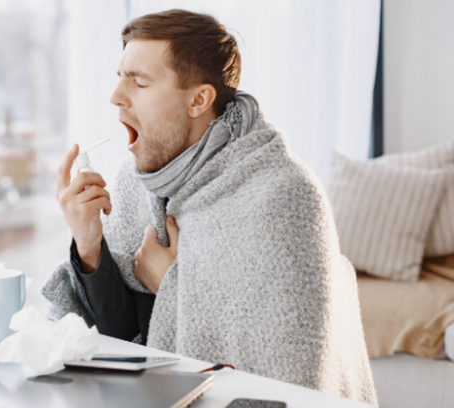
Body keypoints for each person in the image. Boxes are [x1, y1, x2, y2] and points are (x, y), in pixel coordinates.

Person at [42, 9, 377, 405]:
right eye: (120, 76)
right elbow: (122, 339)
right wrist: (89, 242)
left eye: (139, 81)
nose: (116, 95)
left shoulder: (282, 197)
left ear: (199, 99)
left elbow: (288, 379)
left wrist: (169, 283)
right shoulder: (137, 182)